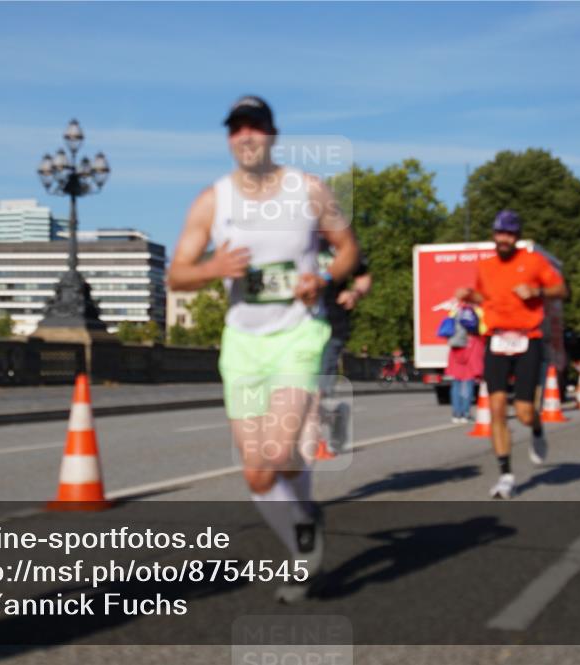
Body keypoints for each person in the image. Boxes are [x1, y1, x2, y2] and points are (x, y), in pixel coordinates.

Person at [167, 95, 359, 603]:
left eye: (255, 127)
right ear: (229, 138)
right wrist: (213, 268)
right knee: (258, 470)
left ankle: (300, 546)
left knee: (278, 453)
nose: (246, 136)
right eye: (236, 129)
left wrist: (321, 276)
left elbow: (348, 249)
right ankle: (304, 526)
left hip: (298, 336)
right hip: (243, 345)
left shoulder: (310, 190)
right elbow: (176, 274)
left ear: (273, 133)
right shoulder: (212, 201)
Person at [454, 210, 567, 499]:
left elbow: (561, 289)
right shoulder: (486, 265)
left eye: (509, 233)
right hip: (496, 340)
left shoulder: (533, 262)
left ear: (516, 236)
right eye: (499, 233)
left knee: (525, 412)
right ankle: (506, 474)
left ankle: (537, 427)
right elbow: (484, 297)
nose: (503, 238)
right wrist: (469, 295)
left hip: (527, 339)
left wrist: (536, 290)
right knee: (496, 407)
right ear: (494, 234)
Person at [317, 240, 371, 453]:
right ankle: (336, 414)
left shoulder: (340, 246)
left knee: (319, 387)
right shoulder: (287, 240)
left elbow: (363, 276)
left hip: (331, 324)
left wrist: (354, 294)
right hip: (293, 327)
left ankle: (320, 437)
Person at [444, 300, 485, 423]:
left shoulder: (454, 311)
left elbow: (448, 329)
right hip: (472, 346)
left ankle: (456, 413)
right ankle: (465, 413)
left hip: (457, 348)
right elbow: (483, 330)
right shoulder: (478, 310)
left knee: (456, 384)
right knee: (468, 384)